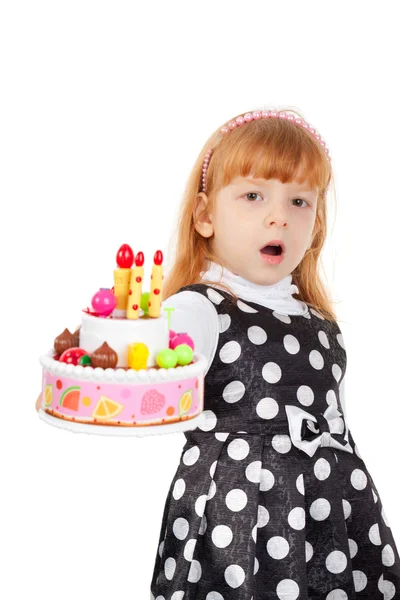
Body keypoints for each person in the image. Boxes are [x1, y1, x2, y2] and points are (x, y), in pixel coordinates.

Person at [148, 108, 400, 599]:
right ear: (204, 216)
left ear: (316, 223)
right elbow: (158, 372)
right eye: (253, 195)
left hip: (332, 515)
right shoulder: (200, 309)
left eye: (300, 201)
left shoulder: (322, 327)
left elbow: (337, 427)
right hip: (238, 521)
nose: (279, 215)